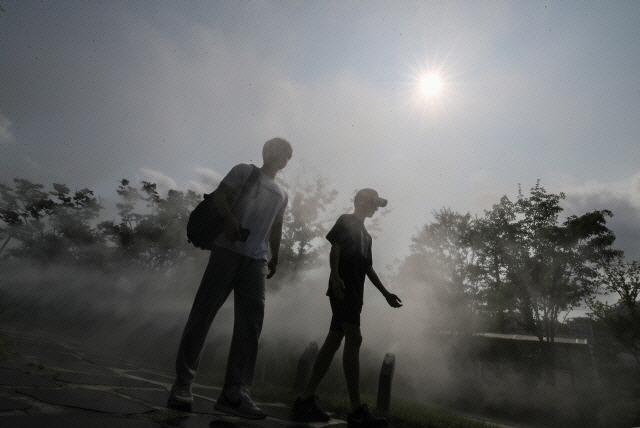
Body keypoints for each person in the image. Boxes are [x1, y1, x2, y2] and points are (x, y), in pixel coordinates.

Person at [168, 138, 292, 419]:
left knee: (251, 323)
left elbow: (277, 225)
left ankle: (234, 393)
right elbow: (220, 196)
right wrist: (228, 220)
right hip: (227, 250)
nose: (283, 157)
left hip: (256, 260)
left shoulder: (283, 194)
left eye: (288, 155)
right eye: (280, 151)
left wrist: (276, 256)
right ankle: (183, 384)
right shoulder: (244, 171)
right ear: (267, 151)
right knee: (203, 314)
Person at [292, 188, 402, 427]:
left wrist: (385, 293)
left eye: (376, 205)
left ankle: (304, 400)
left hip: (355, 292)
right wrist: (334, 275)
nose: (375, 208)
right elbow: (336, 248)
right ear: (360, 201)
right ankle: (355, 410)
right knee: (355, 337)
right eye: (373, 203)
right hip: (342, 287)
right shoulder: (346, 221)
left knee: (333, 341)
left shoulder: (367, 236)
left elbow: (367, 268)